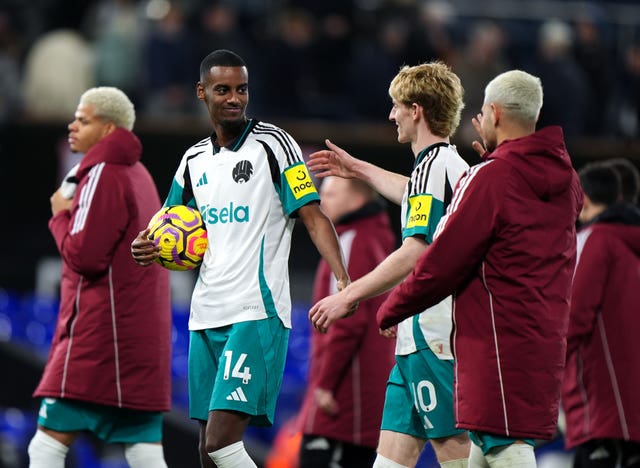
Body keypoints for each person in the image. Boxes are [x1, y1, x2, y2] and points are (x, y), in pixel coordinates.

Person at [130, 49, 350, 468]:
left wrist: (345, 278)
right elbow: (162, 225)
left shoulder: (276, 144)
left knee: (221, 442)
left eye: (241, 89)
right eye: (223, 90)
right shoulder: (192, 160)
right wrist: (145, 247)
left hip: (256, 312)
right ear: (202, 93)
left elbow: (313, 215)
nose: (234, 98)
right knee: (205, 451)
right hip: (205, 314)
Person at [366, 70, 583, 467]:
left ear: (495, 114)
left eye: (483, 111)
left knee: (503, 446)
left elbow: (440, 260)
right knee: (485, 450)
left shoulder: (487, 177)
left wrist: (391, 305)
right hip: (540, 335)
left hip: (489, 338)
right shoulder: (568, 183)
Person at [308, 61, 471, 468]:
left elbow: (417, 250)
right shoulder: (444, 165)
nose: (391, 115)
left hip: (435, 339)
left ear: (416, 110)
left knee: (459, 459)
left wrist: (352, 296)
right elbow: (412, 192)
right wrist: (357, 168)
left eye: (396, 106)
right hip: (417, 340)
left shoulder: (435, 167)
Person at [27, 87, 172, 468]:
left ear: (108, 129)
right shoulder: (140, 174)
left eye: (83, 119)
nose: (72, 125)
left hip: (99, 341)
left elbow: (86, 257)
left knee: (44, 447)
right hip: (139, 343)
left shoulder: (101, 171)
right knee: (144, 452)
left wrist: (60, 215)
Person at [298, 176, 396, 468]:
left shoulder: (352, 241)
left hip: (344, 393)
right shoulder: (378, 237)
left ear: (356, 200)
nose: (321, 201)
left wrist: (325, 383)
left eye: (330, 193)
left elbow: (347, 322)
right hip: (367, 390)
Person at [561, 162, 640, 468]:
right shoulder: (629, 244)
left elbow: (572, 320)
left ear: (586, 200)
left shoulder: (594, 240)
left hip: (603, 408)